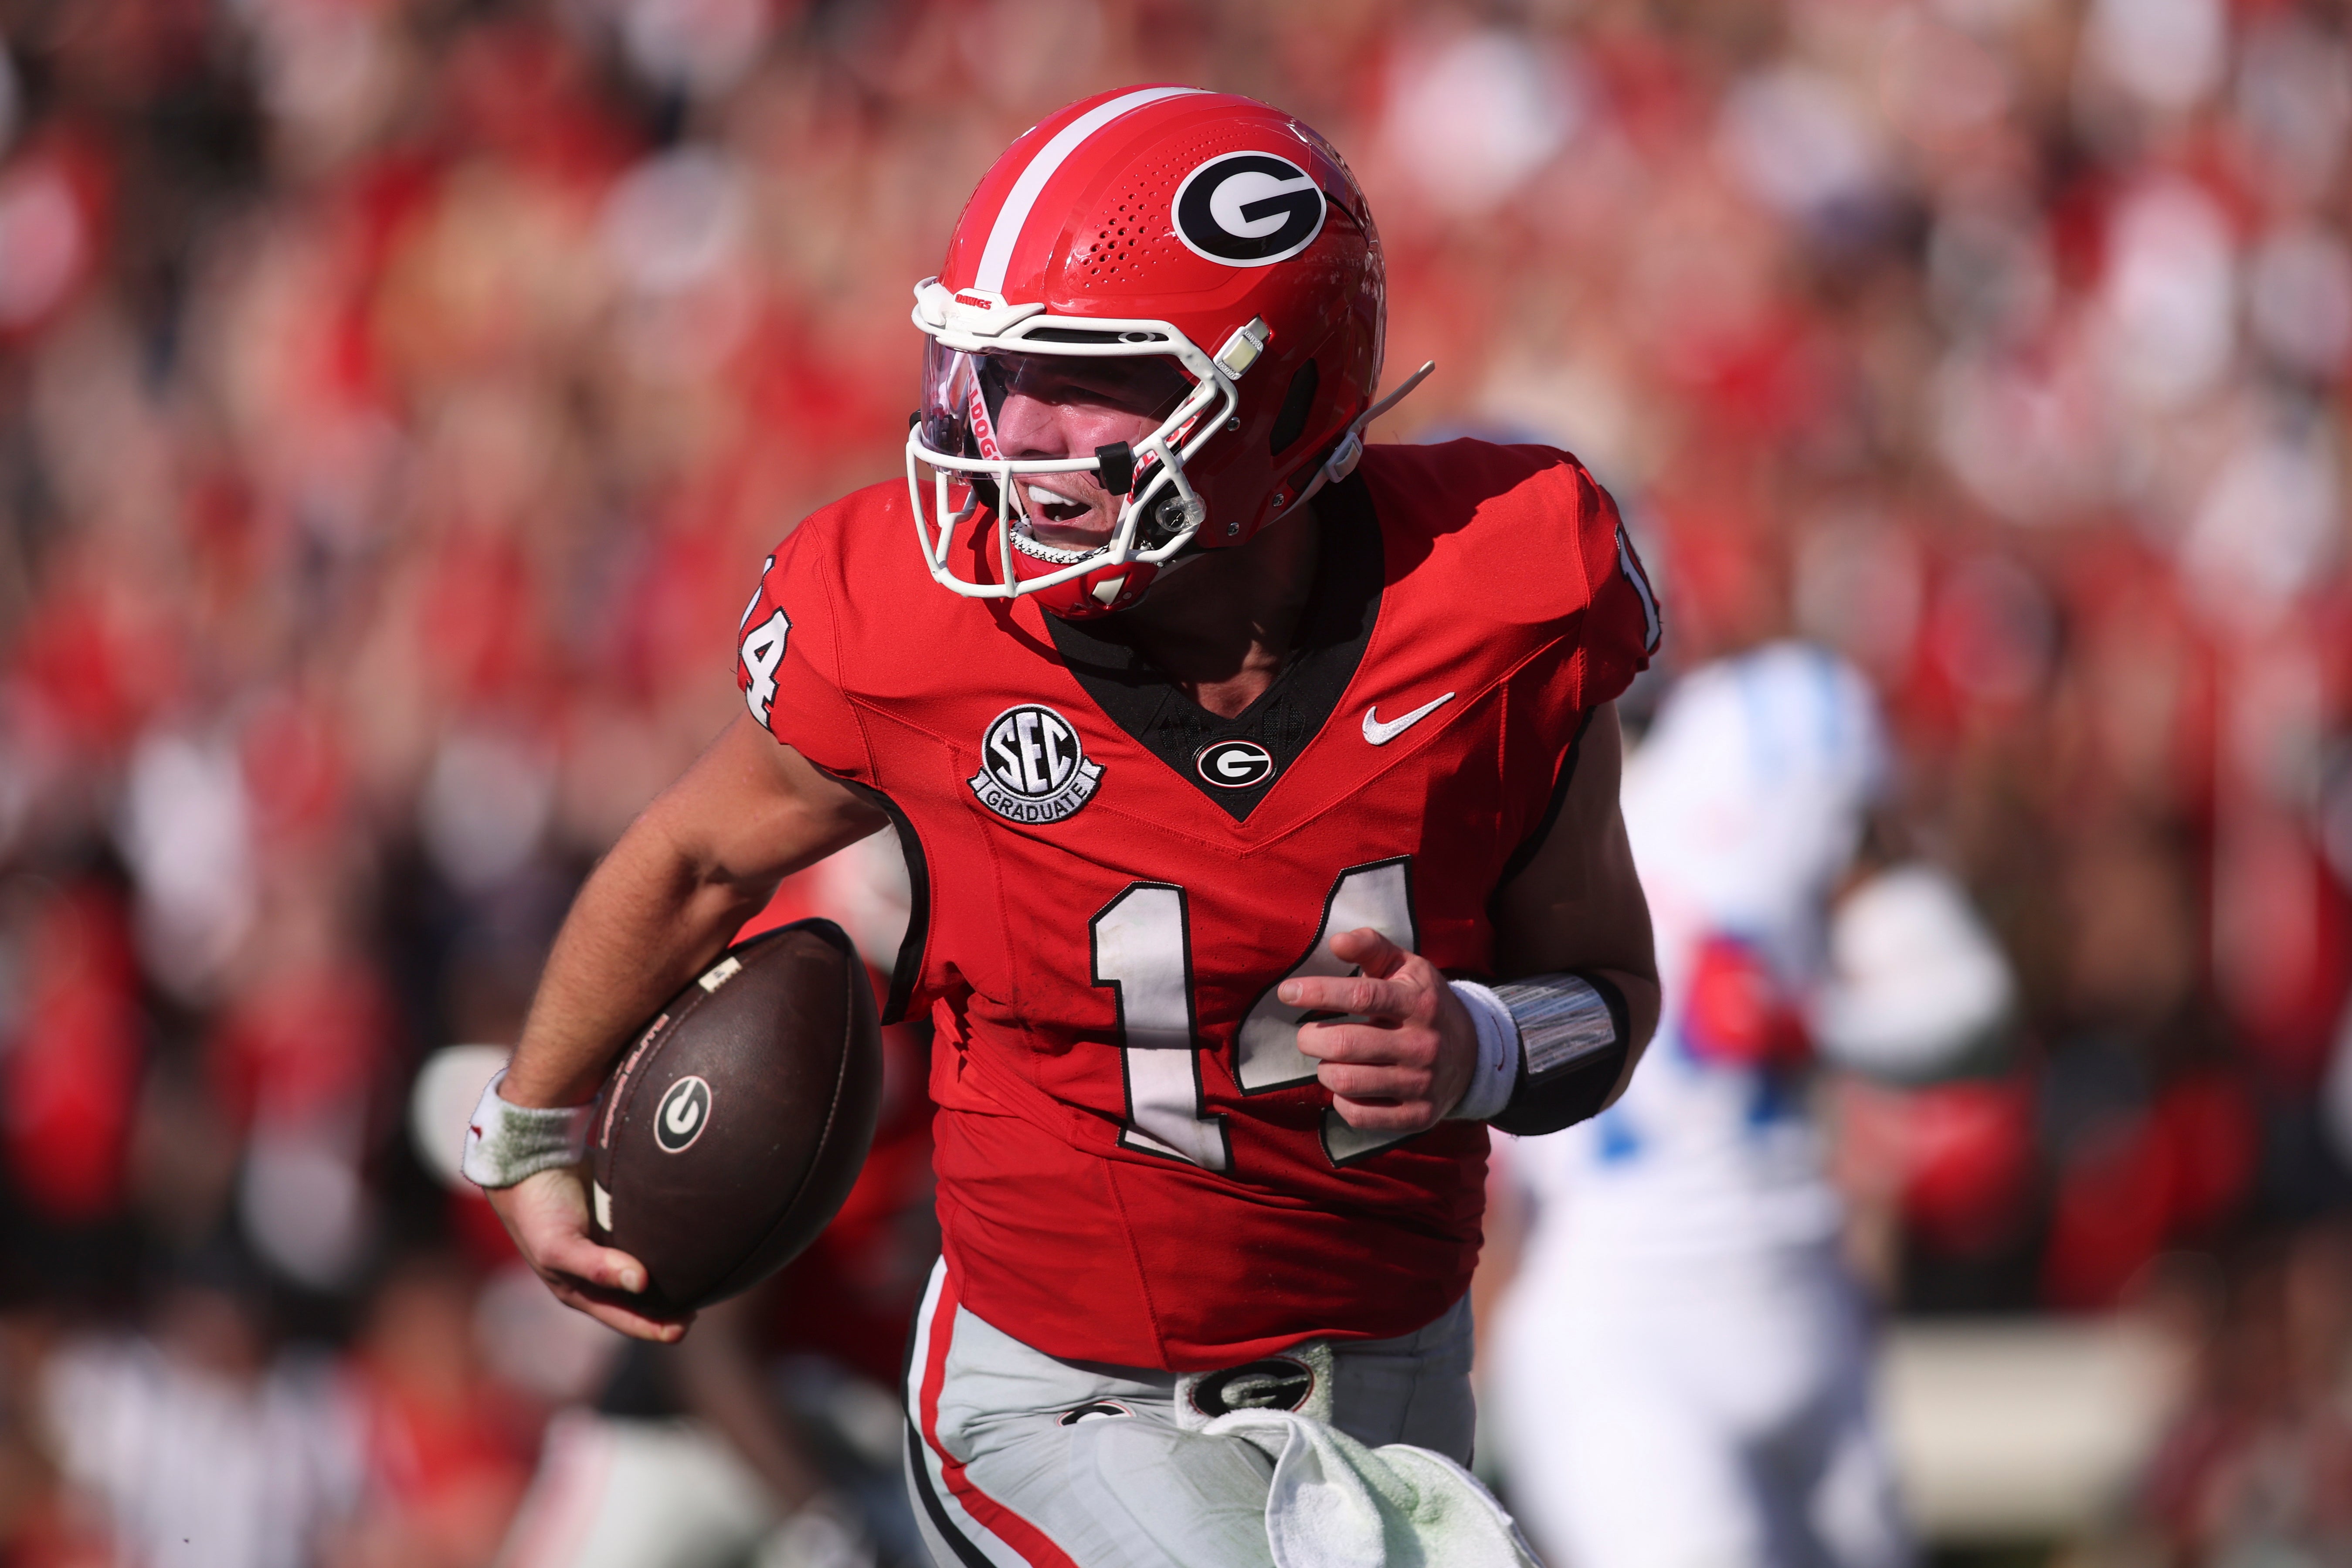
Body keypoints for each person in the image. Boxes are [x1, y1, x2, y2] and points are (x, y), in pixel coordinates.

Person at [462, 86, 1663, 1567]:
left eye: (1081, 375)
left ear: (1278, 397)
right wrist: (524, 1121)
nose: (1005, 429)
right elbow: (699, 854)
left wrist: (1477, 1041)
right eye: (993, 364)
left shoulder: (1504, 594)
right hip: (1058, 1398)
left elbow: (1609, 991)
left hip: (1393, 1378)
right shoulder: (908, 622)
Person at [1488, 640, 2008, 1568]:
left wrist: (1815, 1023)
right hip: (1618, 1333)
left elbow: (1971, 1007)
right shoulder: (1435, 785)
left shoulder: (1768, 735)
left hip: (1805, 1313)